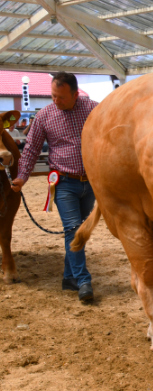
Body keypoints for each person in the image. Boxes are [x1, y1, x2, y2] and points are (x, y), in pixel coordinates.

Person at [10, 72, 99, 302]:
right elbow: (30, 150)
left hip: (90, 183)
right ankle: (83, 280)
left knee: (79, 232)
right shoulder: (45, 116)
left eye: (60, 97)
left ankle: (69, 277)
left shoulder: (93, 109)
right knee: (72, 228)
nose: (55, 101)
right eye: (52, 96)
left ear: (75, 94)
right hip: (63, 183)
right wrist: (22, 177)